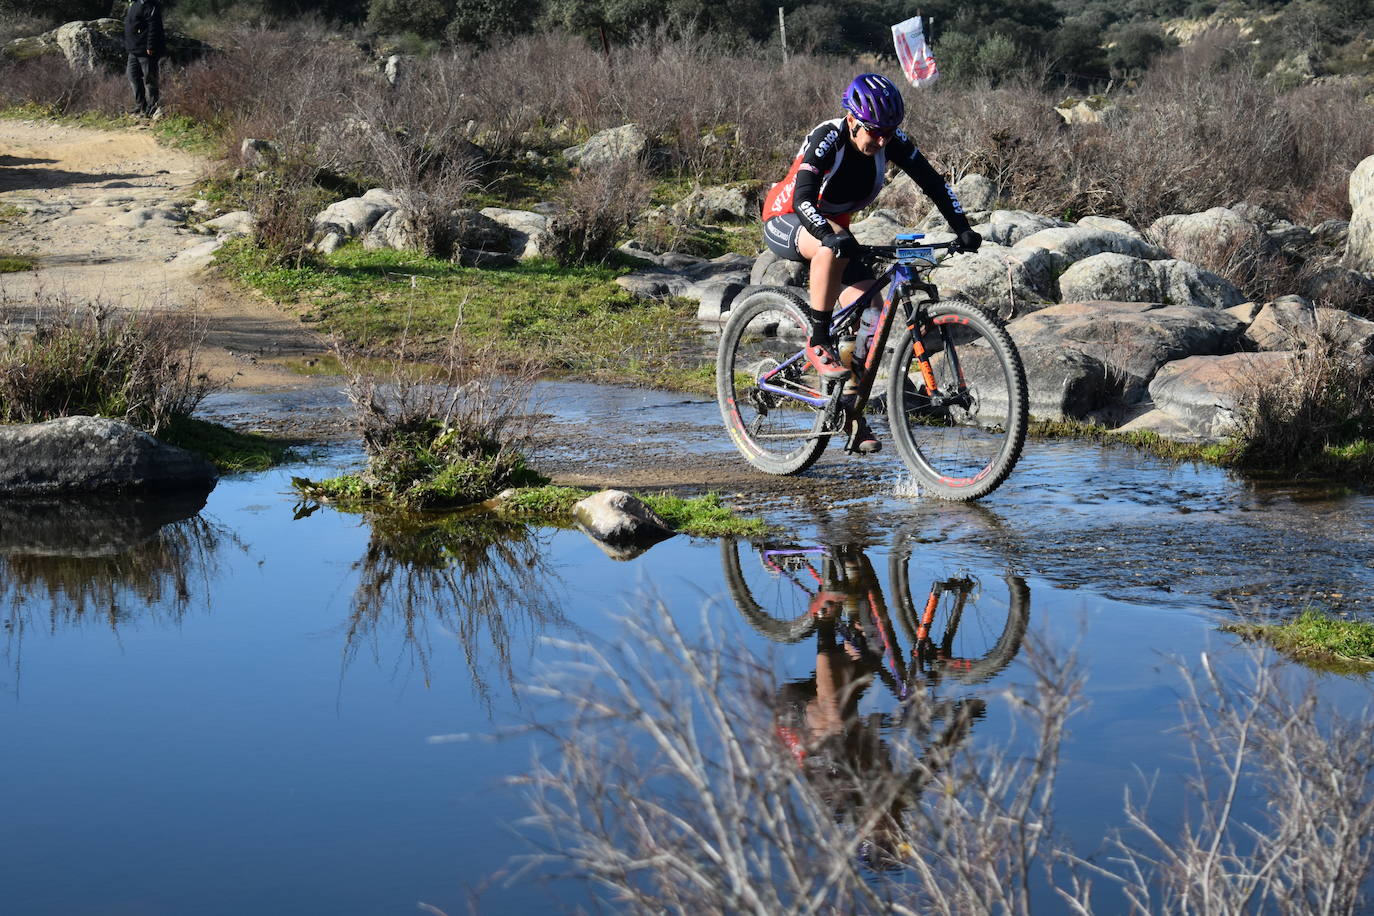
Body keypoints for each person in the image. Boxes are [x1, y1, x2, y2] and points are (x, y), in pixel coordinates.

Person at [761, 73, 982, 452]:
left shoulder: (891, 140)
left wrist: (962, 227)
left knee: (872, 311)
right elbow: (802, 198)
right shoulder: (828, 138)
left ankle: (848, 414)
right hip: (788, 218)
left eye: (889, 133)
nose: (882, 141)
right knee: (831, 246)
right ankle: (817, 340)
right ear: (852, 120)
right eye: (875, 132)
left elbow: (934, 183)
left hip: (834, 230)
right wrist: (829, 236)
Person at [124, 0, 166, 118]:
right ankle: (140, 105)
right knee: (132, 76)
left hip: (146, 51)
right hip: (133, 50)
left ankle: (152, 107)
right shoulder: (135, 4)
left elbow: (154, 26)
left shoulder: (150, 5)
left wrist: (150, 46)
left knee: (150, 79)